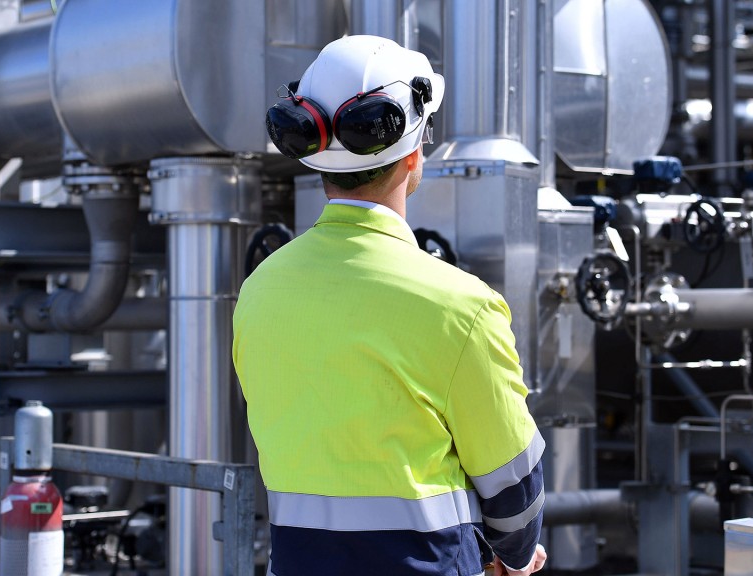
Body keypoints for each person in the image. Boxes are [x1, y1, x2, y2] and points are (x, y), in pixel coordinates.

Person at [233, 35, 548, 576]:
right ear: (414, 151)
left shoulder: (260, 290)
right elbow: (512, 487)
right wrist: (514, 559)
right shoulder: (462, 306)